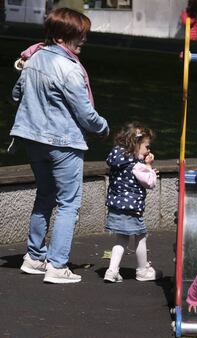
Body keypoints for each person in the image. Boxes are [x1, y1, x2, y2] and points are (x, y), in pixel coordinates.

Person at [10, 8, 109, 284]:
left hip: (32, 139)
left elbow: (15, 95)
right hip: (64, 142)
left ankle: (33, 257)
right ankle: (57, 265)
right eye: (80, 35)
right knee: (69, 203)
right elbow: (85, 114)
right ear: (64, 36)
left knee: (45, 196)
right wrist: (103, 127)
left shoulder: (33, 58)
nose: (84, 40)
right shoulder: (70, 68)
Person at [104, 122, 162, 282]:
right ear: (136, 145)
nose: (148, 150)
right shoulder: (137, 166)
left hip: (116, 206)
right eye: (146, 146)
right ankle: (142, 270)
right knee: (140, 236)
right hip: (132, 208)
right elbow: (150, 183)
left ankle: (112, 270)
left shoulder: (118, 160)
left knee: (121, 238)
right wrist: (149, 167)